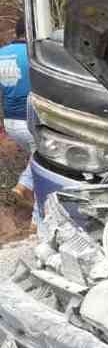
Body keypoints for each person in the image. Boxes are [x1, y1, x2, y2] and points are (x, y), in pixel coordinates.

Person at [0, 18, 34, 208]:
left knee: (38, 158)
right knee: (44, 162)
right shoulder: (35, 54)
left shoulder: (1, 54)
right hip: (30, 121)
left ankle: (32, 211)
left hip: (10, 122)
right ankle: (23, 186)